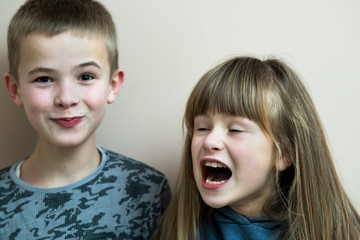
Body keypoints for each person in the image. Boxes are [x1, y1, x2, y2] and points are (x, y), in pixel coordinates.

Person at [0, 0, 171, 239]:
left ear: (112, 85)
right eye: (44, 79)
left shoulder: (147, 190)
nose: (66, 99)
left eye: (86, 76)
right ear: (15, 89)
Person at [152, 56, 360, 239]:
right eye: (203, 127)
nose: (209, 141)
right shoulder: (178, 230)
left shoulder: (340, 232)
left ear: (284, 153)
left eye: (234, 130)